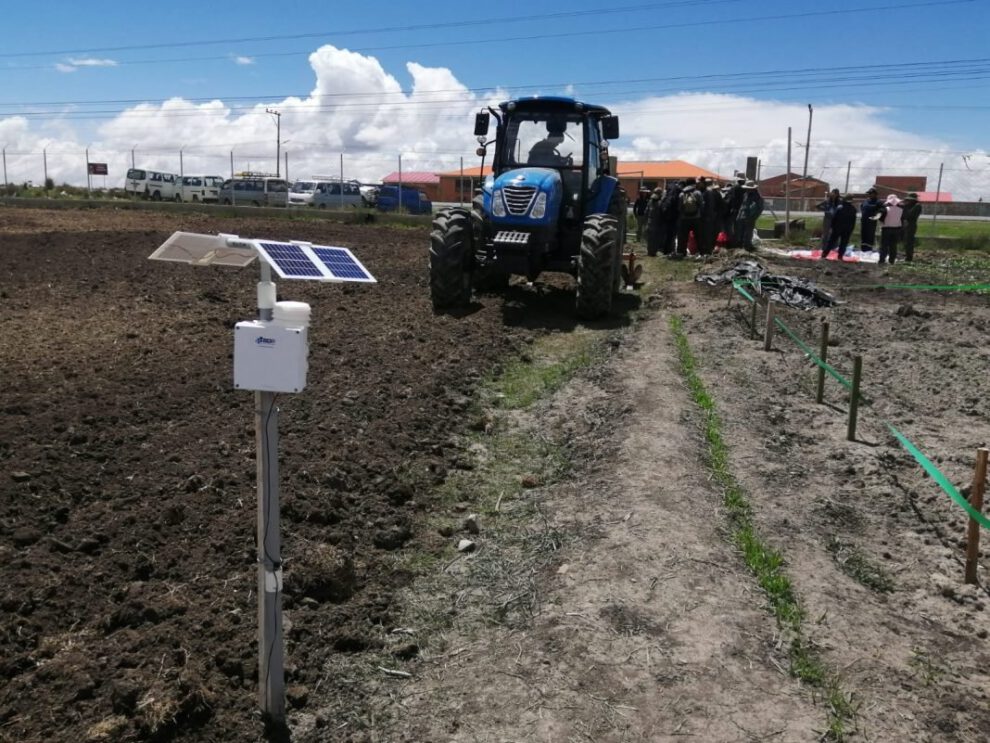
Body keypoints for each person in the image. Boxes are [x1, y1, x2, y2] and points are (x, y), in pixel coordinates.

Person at [821, 194, 857, 260]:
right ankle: (840, 256)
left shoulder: (840, 207)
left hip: (837, 228)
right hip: (847, 229)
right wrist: (851, 229)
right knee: (844, 243)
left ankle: (824, 254)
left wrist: (832, 226)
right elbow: (853, 220)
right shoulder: (853, 209)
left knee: (831, 242)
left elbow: (834, 217)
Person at [674, 177, 703, 258]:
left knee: (683, 237)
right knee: (699, 236)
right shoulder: (697, 193)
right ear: (694, 183)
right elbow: (702, 205)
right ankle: (701, 253)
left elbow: (679, 207)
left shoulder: (682, 194)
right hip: (696, 218)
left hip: (684, 218)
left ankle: (681, 253)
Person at [735, 180, 764, 251]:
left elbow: (759, 208)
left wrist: (753, 217)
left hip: (749, 217)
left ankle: (747, 246)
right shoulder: (745, 195)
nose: (747, 190)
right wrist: (739, 215)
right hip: (742, 217)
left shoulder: (757, 197)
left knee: (748, 233)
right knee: (740, 232)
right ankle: (740, 245)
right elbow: (742, 206)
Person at [878, 193, 904, 264]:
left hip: (886, 229)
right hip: (896, 229)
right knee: (893, 246)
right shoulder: (901, 210)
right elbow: (902, 220)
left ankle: (882, 260)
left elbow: (880, 218)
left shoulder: (885, 209)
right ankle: (891, 260)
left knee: (884, 245)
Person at [901, 192, 922, 262]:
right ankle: (907, 255)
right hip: (906, 225)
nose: (908, 201)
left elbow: (909, 215)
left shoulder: (917, 206)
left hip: (911, 226)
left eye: (909, 200)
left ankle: (909, 258)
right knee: (906, 241)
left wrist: (905, 207)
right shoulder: (909, 206)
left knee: (909, 242)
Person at [725, 176, 746, 248]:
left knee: (731, 227)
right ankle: (737, 243)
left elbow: (730, 199)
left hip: (733, 210)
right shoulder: (744, 189)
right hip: (740, 210)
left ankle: (731, 242)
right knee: (738, 227)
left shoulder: (733, 188)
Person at [860, 187, 882, 251]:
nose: (869, 195)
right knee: (863, 235)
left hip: (871, 222)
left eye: (871, 193)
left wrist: (876, 216)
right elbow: (862, 207)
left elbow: (881, 210)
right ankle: (863, 249)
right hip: (864, 221)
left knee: (870, 236)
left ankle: (868, 249)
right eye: (869, 193)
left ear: (875, 194)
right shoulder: (866, 201)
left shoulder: (878, 202)